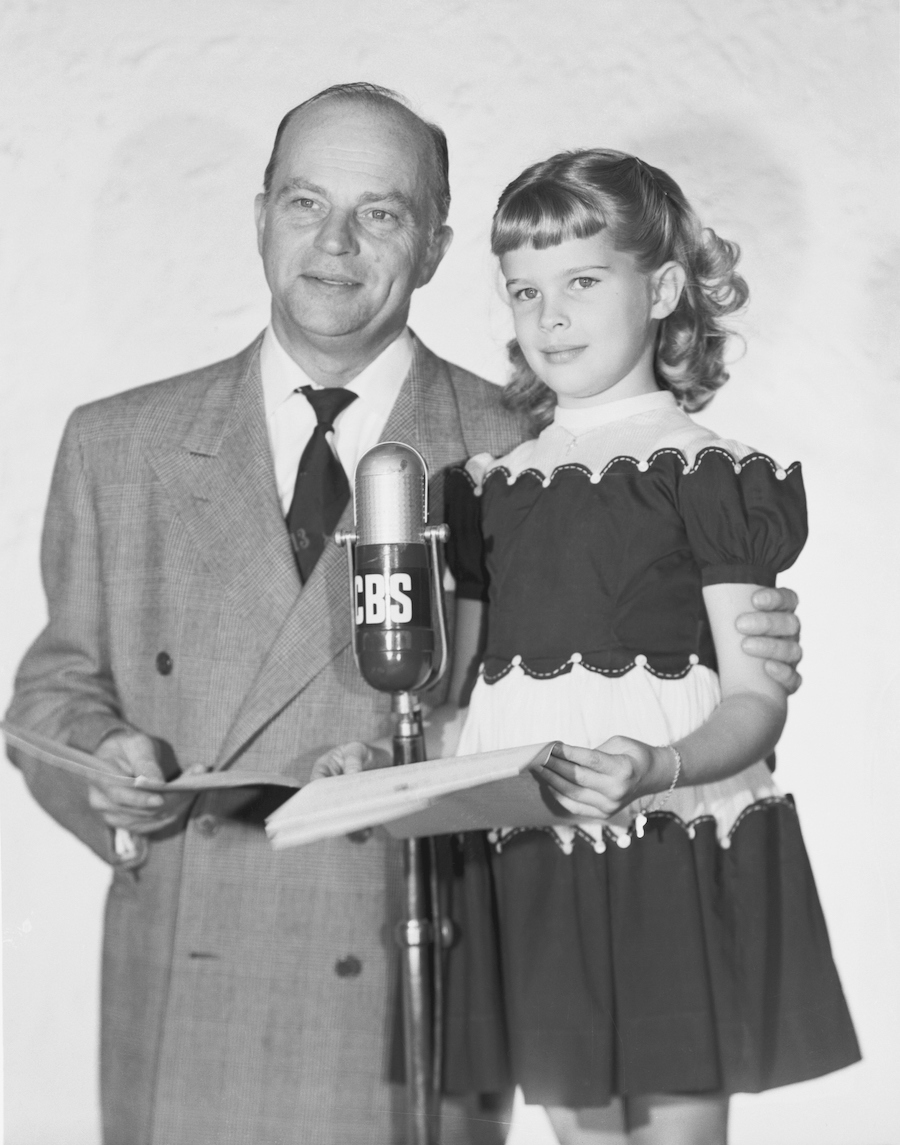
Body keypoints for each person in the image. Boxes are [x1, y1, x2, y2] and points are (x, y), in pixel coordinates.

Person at [5, 85, 804, 1145]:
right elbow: (55, 683)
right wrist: (106, 761)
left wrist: (734, 640)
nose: (335, 244)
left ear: (434, 242)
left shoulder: (528, 447)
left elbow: (623, 642)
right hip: (194, 984)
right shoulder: (118, 444)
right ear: (259, 219)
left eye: (380, 213)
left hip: (421, 974)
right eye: (304, 204)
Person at [434, 150, 859, 1144]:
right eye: (525, 290)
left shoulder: (710, 475)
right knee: (576, 1124)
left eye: (583, 280)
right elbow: (460, 688)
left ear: (662, 287)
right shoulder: (486, 487)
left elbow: (756, 702)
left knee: (674, 1126)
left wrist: (661, 762)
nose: (551, 316)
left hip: (670, 838)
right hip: (536, 843)